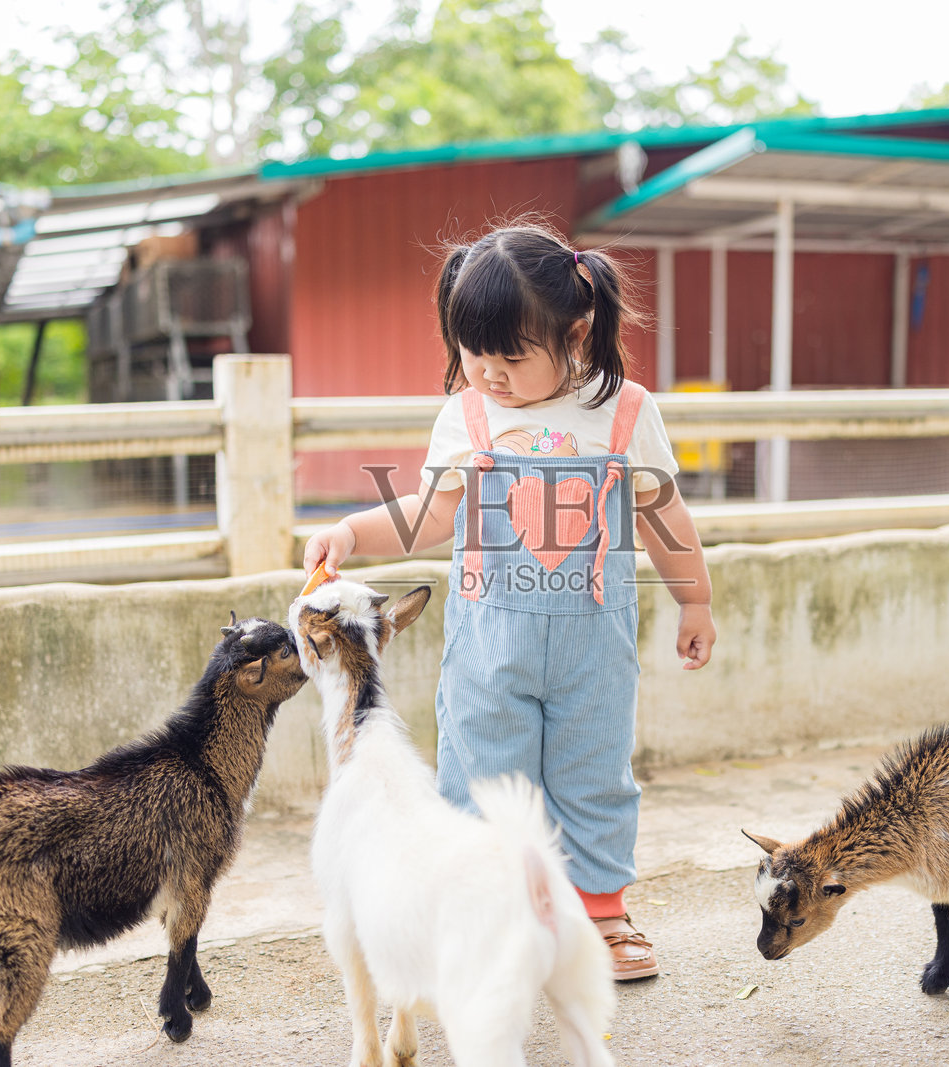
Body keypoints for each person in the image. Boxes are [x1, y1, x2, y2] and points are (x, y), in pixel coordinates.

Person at [303, 222, 716, 980]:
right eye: (473, 353)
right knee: (482, 779)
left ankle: (601, 917)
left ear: (578, 332)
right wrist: (350, 533)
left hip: (596, 653)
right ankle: (486, 918)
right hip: (488, 656)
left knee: (595, 776)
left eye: (511, 355)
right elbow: (429, 512)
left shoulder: (624, 413)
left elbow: (664, 514)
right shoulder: (468, 415)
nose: (488, 373)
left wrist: (695, 601)